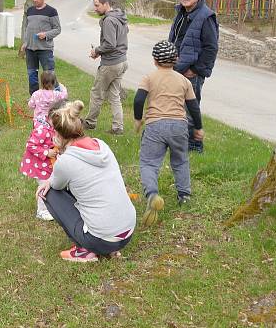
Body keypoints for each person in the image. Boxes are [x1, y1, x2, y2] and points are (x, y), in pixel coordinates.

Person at [36, 100, 136, 263]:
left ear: (60, 135)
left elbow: (56, 185)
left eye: (54, 132)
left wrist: (48, 181)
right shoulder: (102, 146)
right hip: (127, 232)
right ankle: (109, 247)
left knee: (48, 192)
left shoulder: (66, 161)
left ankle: (85, 250)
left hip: (101, 239)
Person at [133, 41, 203, 226]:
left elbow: (139, 99)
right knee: (180, 160)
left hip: (155, 125)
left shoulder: (149, 77)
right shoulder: (184, 80)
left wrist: (138, 119)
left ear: (155, 60)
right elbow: (193, 107)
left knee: (149, 162)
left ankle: (152, 194)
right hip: (179, 126)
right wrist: (198, 127)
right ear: (176, 59)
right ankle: (184, 195)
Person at [168, 0, 218, 152]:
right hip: (176, 69)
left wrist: (195, 70)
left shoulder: (206, 16)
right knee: (176, 108)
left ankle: (194, 146)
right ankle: (179, 143)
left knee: (191, 110)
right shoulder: (181, 13)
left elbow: (211, 48)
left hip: (192, 73)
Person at [20, 71, 67, 221]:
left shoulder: (52, 128)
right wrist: (46, 152)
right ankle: (41, 210)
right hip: (39, 163)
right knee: (44, 185)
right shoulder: (42, 130)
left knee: (51, 184)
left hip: (47, 162)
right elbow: (30, 146)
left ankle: (51, 207)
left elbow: (30, 104)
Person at [83, 0, 129, 135]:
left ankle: (90, 122)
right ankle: (118, 127)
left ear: (106, 4)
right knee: (114, 95)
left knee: (97, 93)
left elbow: (110, 44)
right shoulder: (119, 17)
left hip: (111, 64)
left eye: (97, 5)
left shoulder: (109, 20)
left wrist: (96, 50)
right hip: (122, 61)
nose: (95, 8)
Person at [20, 0, 61, 95]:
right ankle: (34, 97)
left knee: (49, 74)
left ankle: (56, 95)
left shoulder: (51, 11)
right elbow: (27, 28)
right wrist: (25, 43)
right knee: (32, 74)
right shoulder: (30, 10)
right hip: (30, 49)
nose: (35, 0)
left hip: (45, 49)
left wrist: (46, 34)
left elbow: (57, 29)